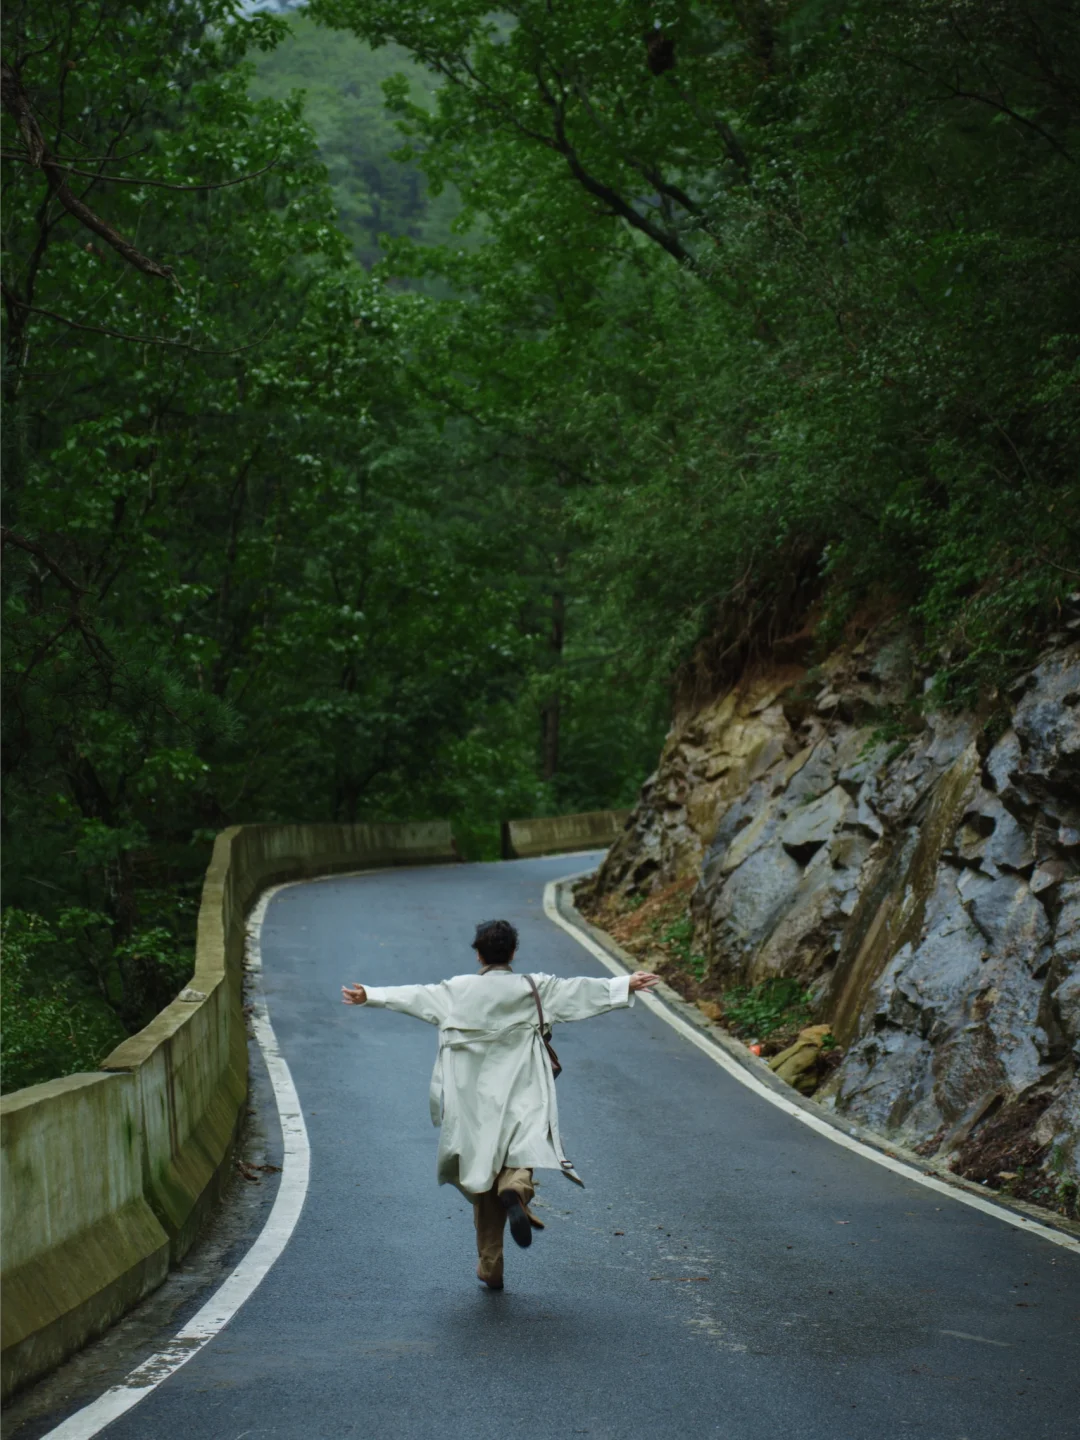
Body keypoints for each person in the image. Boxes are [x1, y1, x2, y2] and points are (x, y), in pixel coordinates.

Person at [342, 918, 659, 1290]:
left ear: (478, 954)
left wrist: (371, 995)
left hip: (472, 1099)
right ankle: (518, 1189)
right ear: (512, 953)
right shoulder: (534, 988)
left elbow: (415, 995)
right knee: (520, 1152)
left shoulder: (456, 990)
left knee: (482, 1172)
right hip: (522, 1087)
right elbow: (581, 992)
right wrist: (626, 984)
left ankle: (491, 1265)